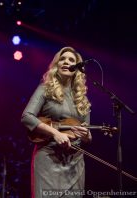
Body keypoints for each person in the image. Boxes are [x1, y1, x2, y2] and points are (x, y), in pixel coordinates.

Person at [21, 46, 92, 198]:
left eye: (71, 60)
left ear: (77, 68)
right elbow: (27, 116)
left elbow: (87, 135)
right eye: (63, 59)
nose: (66, 62)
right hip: (48, 158)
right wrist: (55, 133)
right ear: (57, 64)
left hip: (75, 164)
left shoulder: (82, 99)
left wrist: (86, 135)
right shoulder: (45, 88)